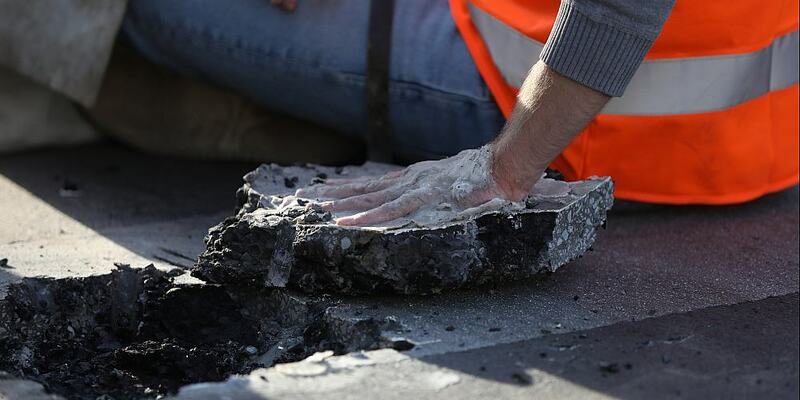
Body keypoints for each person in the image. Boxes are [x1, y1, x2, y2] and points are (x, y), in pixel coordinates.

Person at [2, 1, 797, 226]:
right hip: (766, 132)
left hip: (577, 108)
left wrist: (504, 166)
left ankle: (293, 119)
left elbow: (618, 11)